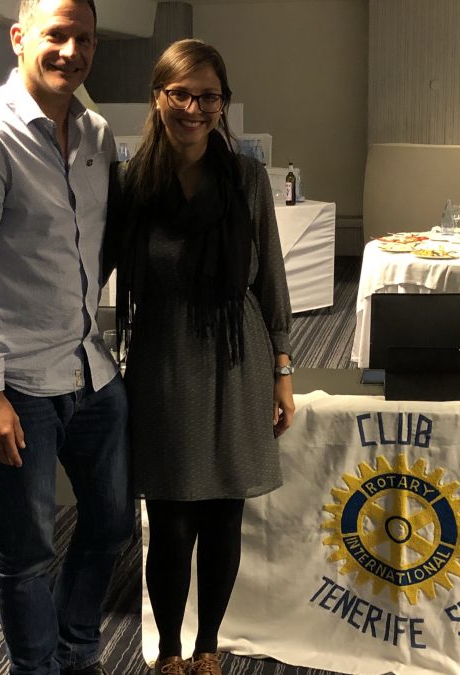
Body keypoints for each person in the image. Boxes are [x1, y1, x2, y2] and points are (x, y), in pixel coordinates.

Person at [0, 1, 132, 674]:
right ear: (20, 38)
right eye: (57, 35)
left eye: (85, 39)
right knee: (28, 550)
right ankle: (38, 668)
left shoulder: (98, 135)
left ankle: (77, 652)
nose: (71, 51)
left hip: (92, 370)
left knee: (111, 524)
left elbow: (94, 248)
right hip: (20, 384)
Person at [106, 39, 295, 675]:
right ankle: (166, 651)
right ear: (158, 98)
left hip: (238, 359)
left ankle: (209, 645)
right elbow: (95, 270)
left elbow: (270, 278)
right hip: (162, 361)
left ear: (223, 104)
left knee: (222, 517)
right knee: (170, 517)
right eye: (180, 93)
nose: (194, 107)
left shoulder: (246, 179)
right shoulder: (134, 184)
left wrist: (283, 370)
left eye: (207, 95)